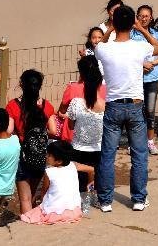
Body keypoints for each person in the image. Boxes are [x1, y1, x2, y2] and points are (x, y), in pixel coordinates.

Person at [95, 5, 158, 212]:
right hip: (135, 106)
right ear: (132, 22)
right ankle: (138, 199)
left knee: (108, 155)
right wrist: (142, 30)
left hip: (113, 106)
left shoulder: (104, 48)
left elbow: (102, 43)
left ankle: (106, 200)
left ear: (114, 23)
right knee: (139, 154)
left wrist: (110, 29)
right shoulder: (139, 46)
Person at [6, 69, 57, 214]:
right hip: (40, 155)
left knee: (24, 199)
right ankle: (34, 220)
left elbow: (9, 131)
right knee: (33, 194)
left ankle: (26, 224)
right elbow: (53, 131)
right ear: (39, 86)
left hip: (22, 156)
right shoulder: (46, 106)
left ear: (21, 84)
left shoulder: (13, 105)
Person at [66, 55, 106, 213]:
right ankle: (96, 198)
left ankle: (84, 204)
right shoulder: (105, 105)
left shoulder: (76, 102)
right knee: (98, 175)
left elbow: (70, 124)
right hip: (98, 148)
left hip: (78, 148)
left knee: (80, 179)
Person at [20, 140, 82, 225]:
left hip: (54, 213)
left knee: (28, 216)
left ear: (59, 161)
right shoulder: (73, 165)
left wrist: (42, 202)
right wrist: (91, 180)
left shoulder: (49, 172)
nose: (46, 156)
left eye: (49, 155)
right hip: (74, 211)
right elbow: (91, 170)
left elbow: (44, 191)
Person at [133, 5, 158, 154]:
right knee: (135, 111)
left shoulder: (156, 34)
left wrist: (152, 63)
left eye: (147, 16)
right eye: (141, 15)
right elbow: (129, 56)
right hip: (136, 79)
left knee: (150, 110)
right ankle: (134, 142)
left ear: (151, 17)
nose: (144, 18)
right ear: (137, 17)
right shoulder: (131, 35)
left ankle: (150, 141)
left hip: (152, 78)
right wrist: (141, 65)